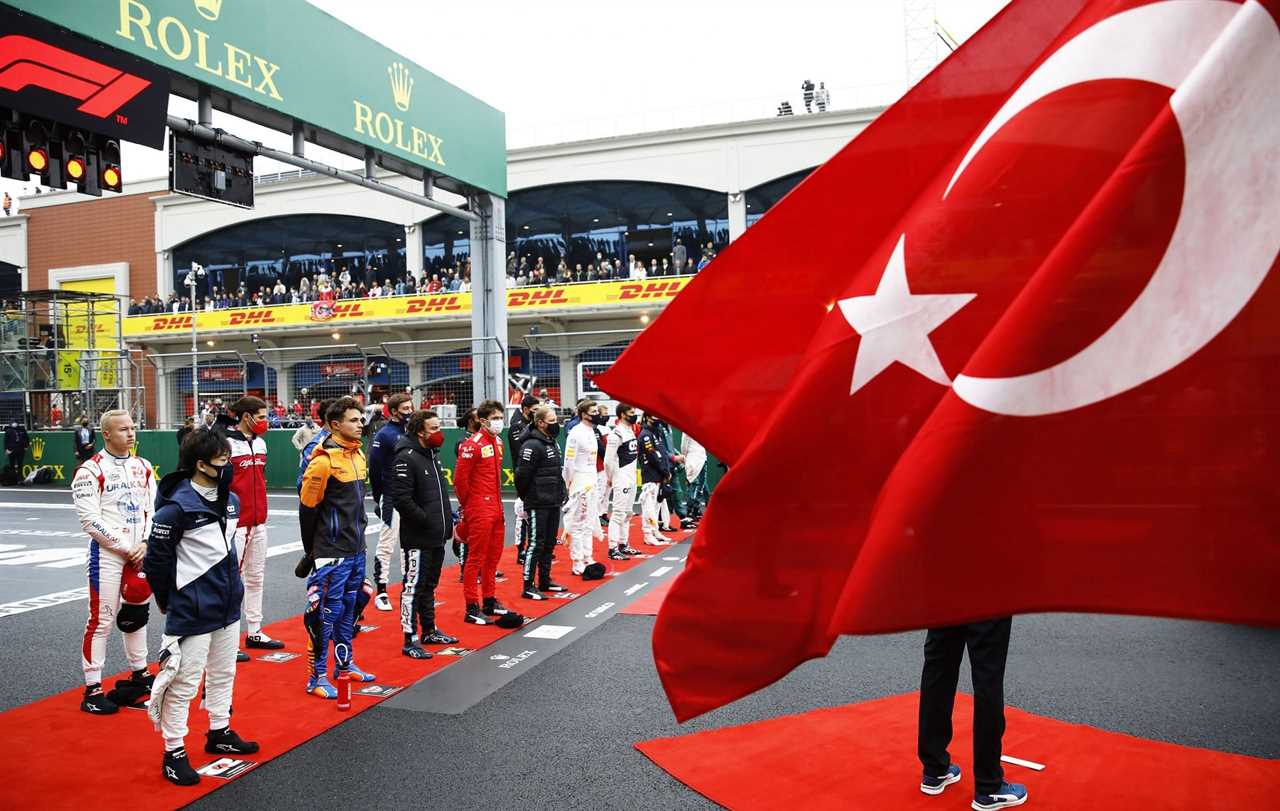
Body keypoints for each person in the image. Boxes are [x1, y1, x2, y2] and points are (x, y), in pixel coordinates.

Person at [144, 429, 258, 786]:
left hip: (227, 604)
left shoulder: (232, 502)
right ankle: (173, 750)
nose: (229, 467)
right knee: (182, 682)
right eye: (223, 462)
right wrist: (169, 602)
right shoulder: (175, 509)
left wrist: (234, 591)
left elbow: (229, 553)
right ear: (201, 464)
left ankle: (219, 730)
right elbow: (157, 564)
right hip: (191, 609)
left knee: (224, 673)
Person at [70, 409, 156, 714]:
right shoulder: (89, 471)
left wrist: (145, 542)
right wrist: (124, 546)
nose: (130, 434)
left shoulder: (143, 466)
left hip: (139, 552)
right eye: (123, 430)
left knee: (137, 614)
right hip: (106, 554)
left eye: (132, 428)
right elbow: (89, 520)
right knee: (101, 619)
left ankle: (140, 673)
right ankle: (92, 690)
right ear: (106, 434)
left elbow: (152, 509)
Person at [298, 397, 377, 698]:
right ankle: (315, 677)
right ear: (334, 425)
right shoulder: (321, 461)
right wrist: (313, 551)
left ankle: (344, 667)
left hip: (356, 548)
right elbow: (307, 510)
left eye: (361, 420)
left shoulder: (358, 457)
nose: (361, 425)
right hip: (330, 553)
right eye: (354, 420)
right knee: (323, 614)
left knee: (350, 610)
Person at [918, 618, 1026, 810]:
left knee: (939, 664)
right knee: (987, 672)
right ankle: (989, 785)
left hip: (943, 590)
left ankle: (934, 768)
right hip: (987, 591)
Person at [388, 410, 458, 658]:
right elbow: (402, 500)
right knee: (413, 587)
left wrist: (447, 523)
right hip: (418, 538)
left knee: (430, 585)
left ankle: (429, 630)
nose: (439, 434)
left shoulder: (432, 455)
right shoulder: (406, 458)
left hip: (437, 536)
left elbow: (438, 497)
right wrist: (426, 521)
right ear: (420, 431)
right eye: (434, 429)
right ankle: (410, 639)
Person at [225, 396, 284, 655]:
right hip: (235, 524)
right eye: (260, 417)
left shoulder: (260, 444)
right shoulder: (225, 443)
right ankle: (228, 642)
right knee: (232, 582)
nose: (265, 421)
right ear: (245, 417)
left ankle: (255, 632)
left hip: (259, 521)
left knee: (256, 578)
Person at [453, 400, 508, 624]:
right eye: (495, 418)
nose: (499, 422)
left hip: (496, 505)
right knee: (475, 558)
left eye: (500, 417)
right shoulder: (471, 445)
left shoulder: (498, 442)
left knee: (493, 557)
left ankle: (489, 599)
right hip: (478, 507)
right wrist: (469, 506)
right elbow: (459, 480)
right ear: (482, 421)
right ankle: (471, 606)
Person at [514, 404, 569, 600]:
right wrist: (528, 497)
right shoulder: (531, 445)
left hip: (553, 500)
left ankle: (544, 581)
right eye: (552, 421)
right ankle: (528, 585)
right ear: (540, 423)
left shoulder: (551, 441)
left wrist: (561, 492)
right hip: (538, 502)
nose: (556, 425)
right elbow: (521, 476)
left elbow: (556, 472)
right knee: (536, 544)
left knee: (549, 544)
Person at [369, 392, 415, 609]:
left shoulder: (413, 432)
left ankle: (409, 585)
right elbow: (375, 469)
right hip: (391, 495)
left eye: (411, 407)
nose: (410, 411)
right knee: (387, 544)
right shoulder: (385, 434)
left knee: (410, 543)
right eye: (405, 408)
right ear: (394, 411)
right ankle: (381, 591)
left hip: (411, 495)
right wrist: (379, 499)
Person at [562, 400, 602, 575]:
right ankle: (577, 561)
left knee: (589, 522)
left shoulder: (592, 431)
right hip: (579, 483)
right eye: (593, 411)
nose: (597, 414)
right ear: (584, 414)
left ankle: (587, 557)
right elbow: (568, 462)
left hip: (592, 481)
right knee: (577, 523)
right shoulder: (575, 433)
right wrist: (569, 483)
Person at [605, 404, 643, 558]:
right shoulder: (616, 434)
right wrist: (611, 478)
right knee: (618, 514)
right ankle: (613, 548)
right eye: (631, 412)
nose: (634, 415)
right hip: (621, 478)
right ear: (622, 414)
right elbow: (608, 460)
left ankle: (623, 543)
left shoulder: (630, 431)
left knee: (627, 513)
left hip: (631, 477)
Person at [507, 395, 540, 564]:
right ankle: (520, 549)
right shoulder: (516, 427)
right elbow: (521, 450)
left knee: (536, 514)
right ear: (526, 410)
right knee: (522, 514)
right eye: (534, 410)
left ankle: (535, 547)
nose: (537, 413)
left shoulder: (534, 425)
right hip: (523, 474)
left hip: (537, 475)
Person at [637, 414, 674, 546]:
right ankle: (648, 534)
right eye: (653, 415)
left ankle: (655, 531)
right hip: (650, 475)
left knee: (656, 505)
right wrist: (664, 471)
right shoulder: (646, 434)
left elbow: (662, 454)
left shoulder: (655, 432)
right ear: (647, 417)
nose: (658, 418)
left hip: (659, 474)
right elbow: (652, 456)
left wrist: (666, 470)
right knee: (649, 507)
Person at [680, 430, 709, 522]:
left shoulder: (701, 428)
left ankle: (696, 510)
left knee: (701, 486)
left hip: (702, 458)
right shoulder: (686, 430)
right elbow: (683, 446)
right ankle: (689, 512)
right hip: (693, 459)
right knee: (693, 485)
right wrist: (684, 456)